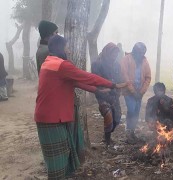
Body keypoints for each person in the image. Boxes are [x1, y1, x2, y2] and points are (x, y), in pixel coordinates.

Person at [35, 35, 126, 179]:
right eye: (67, 48)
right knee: (57, 159)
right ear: (60, 48)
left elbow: (74, 82)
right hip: (51, 117)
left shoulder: (50, 62)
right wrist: (112, 84)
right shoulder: (62, 65)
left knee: (62, 153)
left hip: (52, 115)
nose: (69, 51)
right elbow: (86, 77)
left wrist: (96, 90)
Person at [91, 43, 122, 145]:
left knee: (117, 118)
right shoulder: (97, 64)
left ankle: (108, 134)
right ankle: (107, 141)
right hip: (102, 95)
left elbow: (119, 79)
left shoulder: (117, 65)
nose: (115, 56)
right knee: (108, 116)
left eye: (116, 54)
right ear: (108, 52)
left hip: (114, 95)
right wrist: (107, 89)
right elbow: (96, 81)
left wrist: (118, 89)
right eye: (113, 53)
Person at [120, 42, 151, 144]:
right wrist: (133, 91)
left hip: (139, 92)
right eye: (139, 52)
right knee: (132, 110)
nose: (141, 55)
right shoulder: (126, 59)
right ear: (134, 51)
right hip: (129, 92)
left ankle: (132, 132)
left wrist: (141, 92)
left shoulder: (145, 61)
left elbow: (148, 77)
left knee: (136, 112)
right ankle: (129, 133)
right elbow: (125, 76)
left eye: (143, 53)